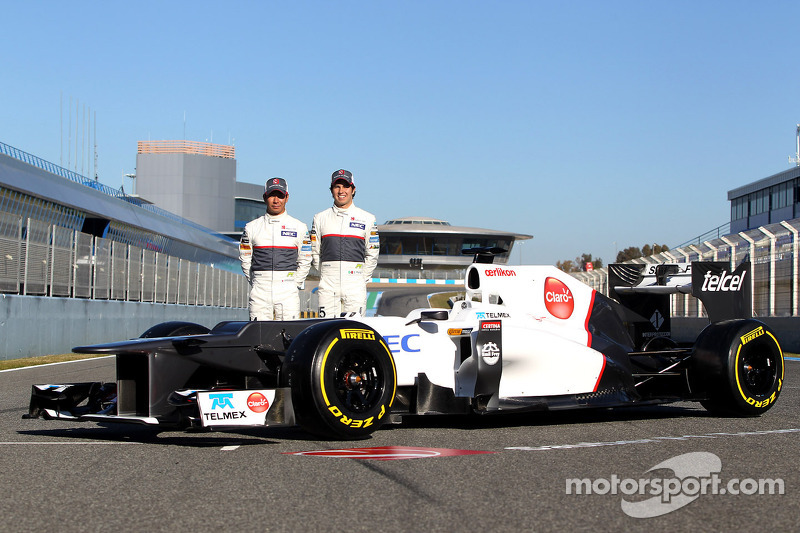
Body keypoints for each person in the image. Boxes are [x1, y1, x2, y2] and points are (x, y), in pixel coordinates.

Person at [239, 177, 312, 320]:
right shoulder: (251, 227)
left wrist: (294, 284)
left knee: (289, 337)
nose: (276, 200)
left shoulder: (299, 227)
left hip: (288, 291)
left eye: (280, 196)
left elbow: (305, 259)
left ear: (287, 197)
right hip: (260, 290)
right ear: (265, 197)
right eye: (272, 195)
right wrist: (256, 282)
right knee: (259, 336)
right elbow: (245, 259)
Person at [310, 169, 379, 317]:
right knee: (326, 330)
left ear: (353, 189)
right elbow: (315, 252)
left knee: (355, 330)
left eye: (345, 186)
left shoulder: (367, 218)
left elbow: (372, 253)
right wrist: (327, 272)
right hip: (328, 284)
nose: (341, 191)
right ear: (331, 190)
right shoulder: (320, 218)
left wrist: (360, 277)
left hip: (355, 284)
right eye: (337, 186)